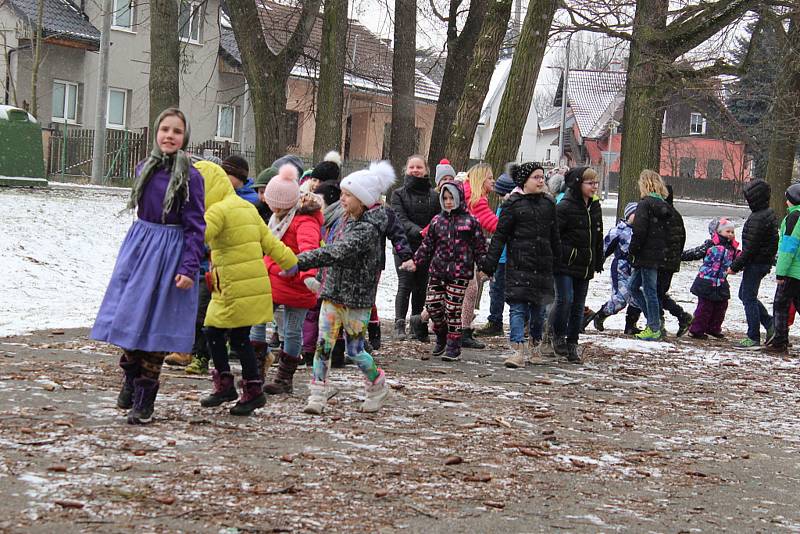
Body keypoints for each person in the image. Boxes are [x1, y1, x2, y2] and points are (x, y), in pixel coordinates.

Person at [91, 108, 205, 424]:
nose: (169, 135)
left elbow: (197, 226)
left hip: (172, 254)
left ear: (184, 138)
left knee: (157, 329)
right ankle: (129, 376)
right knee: (129, 321)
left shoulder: (192, 178)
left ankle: (145, 401)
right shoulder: (145, 168)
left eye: (177, 131)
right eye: (164, 129)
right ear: (156, 133)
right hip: (141, 250)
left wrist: (189, 267)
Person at [294, 161, 396, 415]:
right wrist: (319, 276)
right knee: (323, 344)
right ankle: (317, 393)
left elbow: (339, 251)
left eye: (348, 195)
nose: (342, 199)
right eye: (342, 194)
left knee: (355, 350)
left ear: (363, 199)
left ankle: (377, 384)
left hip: (356, 300)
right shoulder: (345, 221)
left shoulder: (367, 229)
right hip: (332, 294)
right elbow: (330, 247)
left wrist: (301, 260)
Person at [197, 161, 298, 416]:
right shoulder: (247, 207)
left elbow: (200, 236)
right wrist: (291, 263)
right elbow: (269, 242)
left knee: (213, 332)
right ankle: (250, 389)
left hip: (232, 287)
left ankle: (229, 386)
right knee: (238, 338)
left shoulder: (217, 211)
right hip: (253, 284)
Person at [481, 163, 560, 368]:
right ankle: (517, 349)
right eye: (536, 177)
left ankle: (535, 345)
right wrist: (489, 265)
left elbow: (555, 236)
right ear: (524, 181)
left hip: (542, 266)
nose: (541, 181)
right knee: (517, 308)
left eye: (542, 177)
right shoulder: (512, 204)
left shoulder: (549, 204)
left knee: (538, 311)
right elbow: (500, 236)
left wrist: (558, 262)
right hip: (518, 265)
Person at [405, 181, 487, 361]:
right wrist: (415, 261)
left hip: (460, 273)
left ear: (459, 198)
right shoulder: (437, 221)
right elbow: (427, 246)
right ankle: (441, 333)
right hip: (438, 271)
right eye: (445, 198)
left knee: (453, 309)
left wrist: (485, 267)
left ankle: (454, 344)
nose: (449, 201)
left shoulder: (470, 221)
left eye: (452, 198)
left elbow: (480, 247)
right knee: (433, 305)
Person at [259, 164, 323, 394]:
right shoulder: (277, 218)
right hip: (273, 279)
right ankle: (254, 375)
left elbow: (310, 251)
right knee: (256, 323)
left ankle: (284, 378)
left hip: (296, 283)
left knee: (292, 331)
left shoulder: (304, 221)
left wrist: (307, 276)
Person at [551, 167, 603, 363]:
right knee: (565, 299)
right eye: (590, 183)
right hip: (565, 263)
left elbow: (597, 236)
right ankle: (557, 335)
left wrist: (598, 258)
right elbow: (554, 235)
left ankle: (572, 342)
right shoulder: (565, 206)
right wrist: (566, 253)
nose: (594, 187)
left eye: (596, 183)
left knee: (578, 305)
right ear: (578, 184)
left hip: (585, 263)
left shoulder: (594, 206)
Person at [391, 155, 439, 340]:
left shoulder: (434, 196)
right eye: (412, 167)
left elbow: (437, 219)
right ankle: (399, 323)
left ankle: (417, 324)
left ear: (426, 170)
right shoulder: (398, 194)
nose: (415, 170)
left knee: (421, 286)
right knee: (405, 284)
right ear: (406, 169)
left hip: (427, 248)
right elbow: (399, 218)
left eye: (419, 167)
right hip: (404, 246)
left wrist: (429, 234)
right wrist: (420, 231)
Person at [729, 180, 778, 349]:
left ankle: (753, 337)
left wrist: (735, 266)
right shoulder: (765, 214)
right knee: (745, 294)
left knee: (748, 297)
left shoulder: (759, 217)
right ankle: (771, 325)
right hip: (760, 262)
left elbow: (750, 248)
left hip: (756, 263)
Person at [627, 170, 672, 341]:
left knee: (649, 291)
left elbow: (639, 230)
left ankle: (654, 326)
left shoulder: (645, 204)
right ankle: (654, 322)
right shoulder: (664, 206)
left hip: (645, 255)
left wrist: (633, 251)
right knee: (634, 287)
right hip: (657, 254)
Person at [681, 218, 740, 340]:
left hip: (721, 281)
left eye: (732, 232)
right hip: (706, 280)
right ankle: (696, 329)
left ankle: (713, 328)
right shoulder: (711, 245)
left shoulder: (732, 249)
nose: (730, 234)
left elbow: (739, 260)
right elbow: (695, 253)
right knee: (705, 307)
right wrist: (680, 255)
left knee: (721, 305)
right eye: (727, 231)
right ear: (717, 232)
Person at [460, 163, 498, 349]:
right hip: (462, 252)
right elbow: (494, 224)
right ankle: (464, 331)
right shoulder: (477, 200)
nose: (493, 181)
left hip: (455, 250)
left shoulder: (465, 194)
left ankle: (422, 320)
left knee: (447, 290)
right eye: (490, 178)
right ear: (481, 180)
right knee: (471, 290)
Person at [474, 171, 516, 337]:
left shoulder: (506, 206)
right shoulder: (503, 206)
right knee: (496, 290)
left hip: (504, 256)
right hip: (501, 256)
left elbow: (501, 231)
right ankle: (495, 320)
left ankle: (497, 321)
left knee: (500, 291)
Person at [592, 202, 639, 331]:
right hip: (621, 269)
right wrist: (598, 262)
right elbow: (605, 248)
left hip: (636, 269)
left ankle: (631, 325)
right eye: (636, 213)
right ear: (629, 215)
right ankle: (602, 313)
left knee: (637, 297)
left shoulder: (641, 231)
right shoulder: (618, 230)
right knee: (620, 299)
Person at [765, 183, 800, 354]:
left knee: (781, 305)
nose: (786, 202)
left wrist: (781, 271)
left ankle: (779, 342)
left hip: (793, 270)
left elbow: (788, 247)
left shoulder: (794, 217)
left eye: (788, 199)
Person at [657, 185, 693, 337]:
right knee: (658, 292)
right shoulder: (675, 215)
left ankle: (660, 323)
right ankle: (681, 316)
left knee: (655, 293)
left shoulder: (663, 215)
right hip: (670, 261)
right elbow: (681, 239)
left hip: (662, 261)